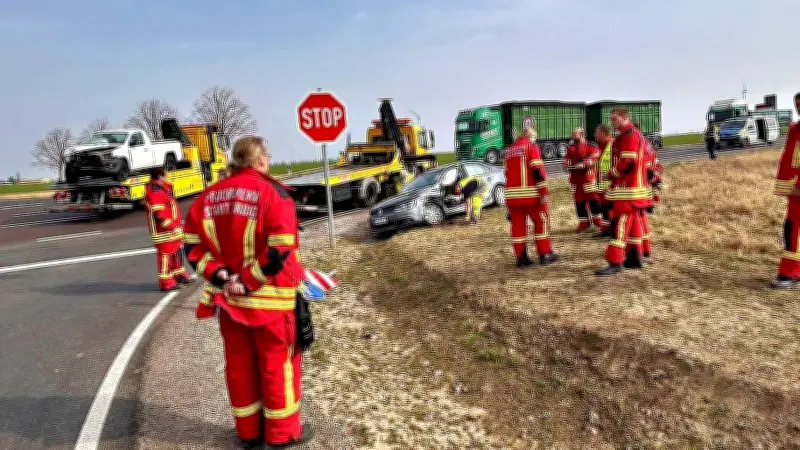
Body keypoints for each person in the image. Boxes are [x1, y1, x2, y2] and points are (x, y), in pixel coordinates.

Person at [182, 136, 315, 448]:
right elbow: (280, 249)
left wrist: (223, 276)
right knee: (277, 367)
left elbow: (190, 246)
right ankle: (282, 436)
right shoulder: (274, 193)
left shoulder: (208, 197)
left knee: (240, 367)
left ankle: (249, 433)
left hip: (230, 303)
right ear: (261, 160)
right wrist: (249, 279)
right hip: (271, 303)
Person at [596, 107, 652, 276]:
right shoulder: (632, 134)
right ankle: (635, 258)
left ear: (624, 118)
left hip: (627, 190)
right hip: (633, 191)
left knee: (618, 225)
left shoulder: (629, 135)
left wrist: (611, 173)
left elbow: (628, 162)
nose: (611, 122)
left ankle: (615, 261)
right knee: (634, 225)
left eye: (614, 119)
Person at [504, 127, 559, 267]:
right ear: (531, 136)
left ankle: (521, 258)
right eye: (535, 138)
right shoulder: (530, 147)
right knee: (541, 222)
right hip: (531, 195)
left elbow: (506, 173)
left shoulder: (509, 150)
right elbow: (537, 170)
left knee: (518, 227)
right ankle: (544, 254)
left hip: (512, 196)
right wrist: (543, 191)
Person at [144, 167, 194, 291]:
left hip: (173, 229)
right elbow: (158, 215)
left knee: (176, 251)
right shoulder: (155, 191)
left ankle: (179, 275)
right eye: (166, 174)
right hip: (163, 231)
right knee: (166, 255)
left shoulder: (163, 188)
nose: (168, 175)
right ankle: (166, 282)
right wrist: (172, 226)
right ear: (160, 177)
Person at [770, 92, 800, 289]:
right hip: (795, 191)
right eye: (797, 104)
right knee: (792, 229)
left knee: (794, 230)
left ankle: (791, 272)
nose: (799, 107)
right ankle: (791, 269)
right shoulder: (795, 130)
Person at [562, 127, 603, 231]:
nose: (572, 136)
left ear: (581, 134)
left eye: (575, 134)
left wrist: (584, 164)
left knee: (593, 199)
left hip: (588, 178)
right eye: (573, 134)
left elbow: (595, 157)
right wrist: (565, 164)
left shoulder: (591, 146)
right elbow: (566, 158)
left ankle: (597, 220)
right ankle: (584, 222)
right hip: (575, 180)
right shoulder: (571, 147)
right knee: (579, 201)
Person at [593, 124, 615, 238]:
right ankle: (605, 230)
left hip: (611, 185)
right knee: (604, 210)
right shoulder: (600, 146)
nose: (594, 136)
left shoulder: (613, 145)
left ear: (602, 133)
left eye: (596, 133)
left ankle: (613, 231)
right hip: (602, 185)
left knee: (611, 210)